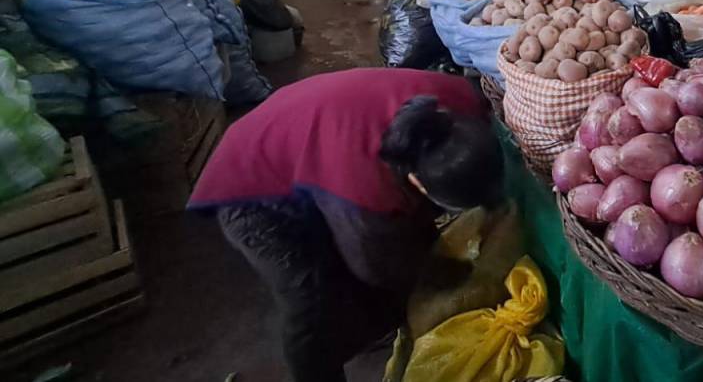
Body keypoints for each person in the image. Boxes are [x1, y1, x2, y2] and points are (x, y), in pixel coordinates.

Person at [188, 68, 503, 382]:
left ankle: (383, 325)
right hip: (250, 185)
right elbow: (376, 264)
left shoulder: (462, 100)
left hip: (309, 133)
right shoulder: (366, 187)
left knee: (408, 251)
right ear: (416, 182)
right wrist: (455, 276)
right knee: (311, 300)